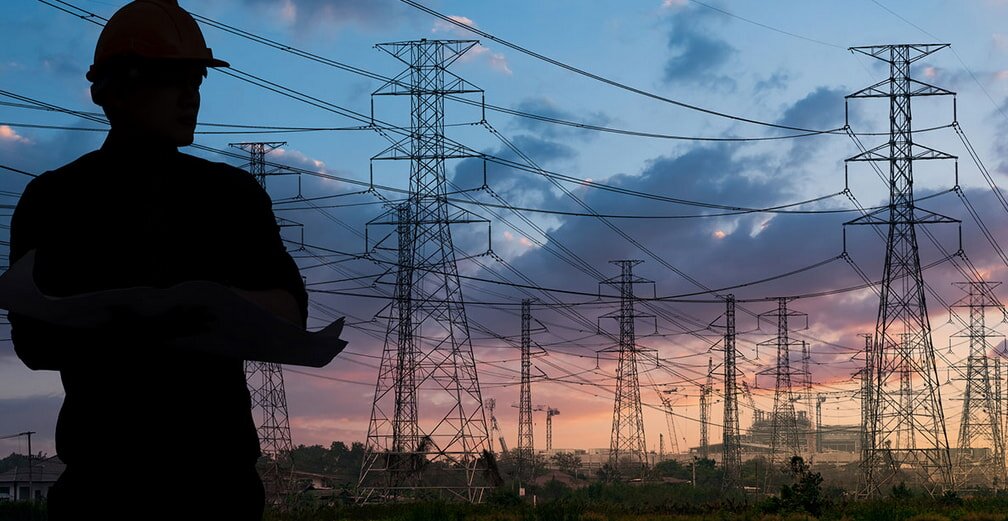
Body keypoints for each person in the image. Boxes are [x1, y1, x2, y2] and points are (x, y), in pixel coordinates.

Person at [8, 1, 309, 518]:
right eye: (173, 81)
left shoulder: (231, 195)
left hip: (215, 486)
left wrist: (209, 306)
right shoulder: (56, 200)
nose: (190, 98)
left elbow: (292, 313)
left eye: (196, 83)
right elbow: (33, 341)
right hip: (105, 487)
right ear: (116, 91)